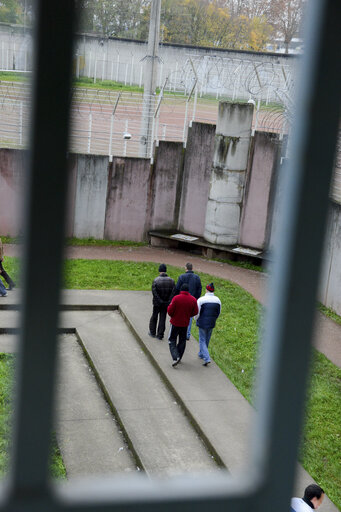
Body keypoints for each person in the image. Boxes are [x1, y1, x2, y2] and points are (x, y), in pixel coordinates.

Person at [167, 283, 198, 367]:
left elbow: (170, 310)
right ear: (188, 291)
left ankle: (175, 357)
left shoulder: (176, 298)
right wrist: (188, 316)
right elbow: (195, 312)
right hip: (185, 324)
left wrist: (173, 315)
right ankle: (179, 357)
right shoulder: (193, 300)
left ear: (181, 290)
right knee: (182, 341)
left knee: (171, 340)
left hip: (175, 323)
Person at [195, 283, 221, 366]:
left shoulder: (201, 300)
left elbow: (197, 312)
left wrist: (196, 319)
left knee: (202, 340)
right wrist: (214, 319)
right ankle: (201, 354)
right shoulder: (218, 300)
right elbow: (218, 312)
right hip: (211, 322)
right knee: (207, 339)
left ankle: (207, 358)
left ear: (206, 290)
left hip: (202, 322)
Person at [175, 262, 202, 340]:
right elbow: (199, 289)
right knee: (189, 317)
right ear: (192, 268)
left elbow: (177, 288)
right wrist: (196, 298)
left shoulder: (182, 277)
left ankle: (178, 332)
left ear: (185, 268)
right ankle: (187, 334)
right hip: (192, 300)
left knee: (179, 315)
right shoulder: (197, 278)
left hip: (181, 299)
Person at [148, 264, 175, 340]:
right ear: (165, 270)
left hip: (157, 303)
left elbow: (154, 292)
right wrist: (168, 301)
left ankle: (152, 332)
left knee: (154, 317)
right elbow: (173, 293)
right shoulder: (172, 281)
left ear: (159, 270)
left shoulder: (156, 280)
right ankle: (160, 335)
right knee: (163, 318)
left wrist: (160, 301)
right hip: (166, 303)